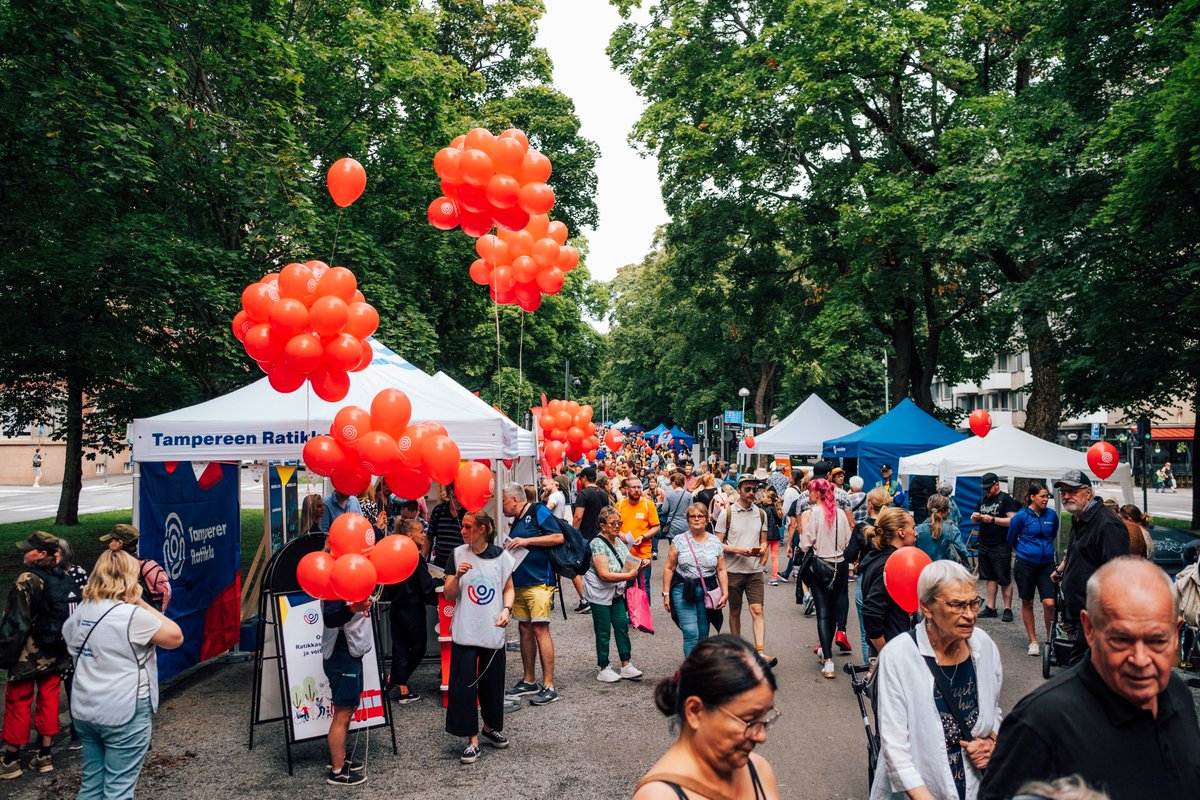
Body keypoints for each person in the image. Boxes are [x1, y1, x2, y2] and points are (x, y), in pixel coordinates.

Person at [979, 558, 1200, 800]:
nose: (1140, 659)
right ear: (1089, 629)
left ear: (1177, 632)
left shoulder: (1178, 693)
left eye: (1157, 641)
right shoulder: (1040, 724)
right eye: (1121, 640)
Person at [870, 561, 1003, 800]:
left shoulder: (984, 645)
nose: (970, 615)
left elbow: (994, 710)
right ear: (927, 607)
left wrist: (992, 742)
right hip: (920, 790)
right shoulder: (898, 656)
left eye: (974, 603)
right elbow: (895, 747)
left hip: (976, 785)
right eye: (957, 605)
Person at [61, 550, 183, 795]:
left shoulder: (80, 613)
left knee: (92, 782)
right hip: (124, 708)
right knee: (119, 787)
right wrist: (139, 601)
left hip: (85, 708)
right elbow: (175, 636)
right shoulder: (132, 616)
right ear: (130, 578)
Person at [632, 635, 781, 800]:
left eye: (764, 717)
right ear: (695, 711)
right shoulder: (659, 796)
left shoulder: (759, 770)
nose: (762, 736)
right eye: (749, 720)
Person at [0, 532, 77, 779]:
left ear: (42, 554)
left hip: (28, 654)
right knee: (50, 698)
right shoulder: (63, 576)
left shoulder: (27, 579)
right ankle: (44, 755)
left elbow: (15, 622)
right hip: (55, 650)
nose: (24, 553)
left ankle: (11, 759)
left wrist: (5, 656)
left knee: (18, 700)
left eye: (29, 550)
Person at [443, 510, 516, 764]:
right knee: (463, 686)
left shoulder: (501, 557)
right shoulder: (457, 554)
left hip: (492, 628)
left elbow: (509, 588)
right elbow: (450, 595)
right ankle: (471, 739)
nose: (463, 531)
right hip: (465, 629)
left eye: (468, 527)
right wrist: (459, 576)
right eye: (462, 526)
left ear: (483, 529)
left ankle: (490, 726)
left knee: (493, 682)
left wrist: (507, 609)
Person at [1051, 470, 1130, 665]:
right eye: (1063, 492)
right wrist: (1063, 570)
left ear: (1088, 493)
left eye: (1072, 491)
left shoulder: (1107, 524)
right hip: (1079, 615)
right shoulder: (1078, 517)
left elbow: (1119, 575)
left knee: (1080, 673)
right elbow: (1079, 553)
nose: (1066, 496)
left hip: (1096, 617)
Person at [501, 483, 564, 707]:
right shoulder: (516, 520)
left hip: (539, 580)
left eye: (504, 501)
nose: (502, 506)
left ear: (515, 500)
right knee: (524, 628)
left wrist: (527, 541)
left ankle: (549, 686)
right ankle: (529, 680)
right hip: (520, 581)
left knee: (540, 628)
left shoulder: (538, 511)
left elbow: (558, 537)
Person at [715, 473, 776, 667]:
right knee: (735, 611)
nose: (751, 492)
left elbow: (764, 540)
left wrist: (763, 549)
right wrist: (741, 550)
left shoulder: (761, 513)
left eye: (754, 489)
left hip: (754, 571)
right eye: (747, 489)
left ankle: (760, 653)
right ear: (739, 490)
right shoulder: (727, 513)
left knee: (757, 610)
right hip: (732, 570)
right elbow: (717, 544)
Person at [797, 478, 852, 678]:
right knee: (832, 611)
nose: (808, 494)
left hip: (820, 567)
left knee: (822, 612)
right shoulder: (840, 514)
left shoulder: (814, 514)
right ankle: (825, 651)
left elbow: (805, 544)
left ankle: (828, 661)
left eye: (810, 491)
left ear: (818, 494)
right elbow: (847, 541)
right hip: (840, 566)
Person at [587, 506, 649, 682]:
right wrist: (629, 575)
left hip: (616, 591)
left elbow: (627, 561)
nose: (617, 526)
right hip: (600, 592)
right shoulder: (597, 544)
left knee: (622, 626)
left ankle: (626, 664)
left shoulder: (618, 540)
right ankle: (603, 667)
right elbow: (604, 574)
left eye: (619, 523)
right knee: (603, 630)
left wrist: (639, 564)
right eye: (613, 523)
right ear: (602, 525)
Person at [320, 584, 372, 785]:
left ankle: (340, 756)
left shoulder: (354, 575)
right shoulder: (335, 580)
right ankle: (337, 771)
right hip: (341, 651)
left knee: (348, 708)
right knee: (343, 711)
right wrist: (353, 609)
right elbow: (331, 617)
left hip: (350, 651)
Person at [662, 503, 729, 656]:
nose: (697, 519)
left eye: (700, 516)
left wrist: (725, 593)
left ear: (707, 519)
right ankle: (692, 673)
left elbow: (721, 569)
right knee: (691, 632)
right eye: (693, 516)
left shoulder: (715, 542)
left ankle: (701, 667)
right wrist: (666, 594)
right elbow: (669, 568)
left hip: (707, 590)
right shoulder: (679, 540)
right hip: (683, 589)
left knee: (703, 633)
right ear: (688, 520)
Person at [382, 519, 436, 705]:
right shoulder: (414, 557)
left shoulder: (393, 555)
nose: (424, 535)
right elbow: (426, 586)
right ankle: (400, 682)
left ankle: (399, 683)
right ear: (410, 536)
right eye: (421, 532)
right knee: (418, 648)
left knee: (400, 647)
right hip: (413, 610)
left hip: (396, 608)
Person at [1006, 482, 1059, 657]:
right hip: (1026, 564)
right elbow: (1011, 539)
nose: (1046, 499)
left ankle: (1050, 641)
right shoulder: (1021, 517)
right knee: (1027, 602)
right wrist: (1024, 552)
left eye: (1047, 496)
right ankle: (1033, 641)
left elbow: (1052, 534)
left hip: (1047, 565)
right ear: (1032, 497)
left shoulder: (1051, 515)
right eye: (1042, 496)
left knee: (1049, 603)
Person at [861, 507, 919, 656]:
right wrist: (885, 653)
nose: (916, 532)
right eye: (913, 528)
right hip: (894, 647)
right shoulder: (890, 565)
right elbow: (871, 611)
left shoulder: (880, 557)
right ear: (901, 532)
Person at [970, 473, 1020, 622]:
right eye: (984, 488)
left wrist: (993, 519)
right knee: (990, 577)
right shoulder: (983, 499)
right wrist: (974, 517)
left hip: (1001, 544)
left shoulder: (1005, 499)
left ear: (996, 484)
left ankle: (1007, 608)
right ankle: (991, 607)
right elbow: (975, 517)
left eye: (989, 488)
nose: (987, 491)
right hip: (985, 544)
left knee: (1004, 578)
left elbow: (1014, 520)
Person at [853, 488, 893, 656]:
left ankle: (870, 673)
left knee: (867, 633)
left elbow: (849, 555)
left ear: (869, 505)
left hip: (866, 580)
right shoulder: (893, 527)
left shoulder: (862, 527)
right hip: (892, 579)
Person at [57, 538, 88, 752]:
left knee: (73, 684)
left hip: (76, 635)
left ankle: (77, 732)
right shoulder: (50, 576)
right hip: (57, 634)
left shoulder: (77, 573)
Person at [100, 525, 171, 613]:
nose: (109, 544)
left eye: (111, 540)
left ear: (120, 543)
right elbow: (166, 593)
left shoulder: (115, 568)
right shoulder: (146, 565)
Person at [617, 476, 661, 584]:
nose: (637, 490)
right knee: (628, 586)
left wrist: (643, 537)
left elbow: (656, 526)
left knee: (644, 586)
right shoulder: (620, 505)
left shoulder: (648, 504)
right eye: (633, 487)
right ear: (627, 489)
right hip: (626, 554)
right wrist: (619, 533)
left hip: (643, 554)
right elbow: (612, 526)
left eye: (639, 487)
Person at [915, 494, 968, 564]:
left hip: (923, 571)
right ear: (946, 511)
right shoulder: (952, 530)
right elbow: (963, 552)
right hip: (946, 571)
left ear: (929, 509)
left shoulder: (917, 530)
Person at [427, 487, 465, 570]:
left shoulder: (469, 513)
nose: (458, 501)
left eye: (461, 497)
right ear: (448, 495)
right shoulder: (438, 510)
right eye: (454, 497)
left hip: (462, 566)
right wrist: (422, 560)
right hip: (440, 564)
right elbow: (429, 537)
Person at [762, 488, 784, 586]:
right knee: (774, 558)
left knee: (761, 555)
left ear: (769, 499)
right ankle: (774, 578)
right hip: (775, 535)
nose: (762, 498)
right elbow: (779, 524)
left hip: (766, 536)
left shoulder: (765, 510)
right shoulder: (776, 510)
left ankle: (757, 575)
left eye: (764, 497)